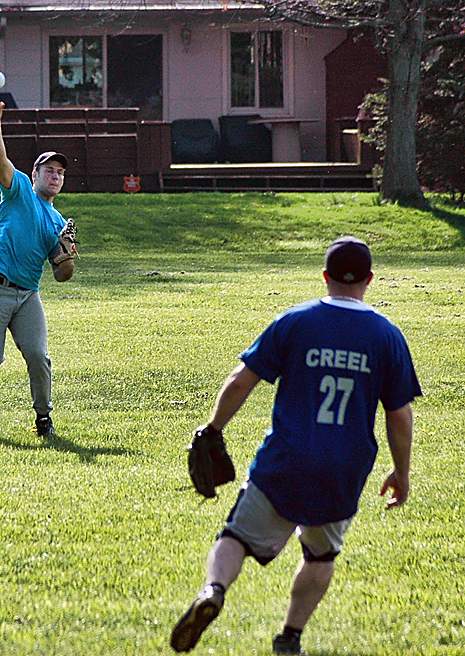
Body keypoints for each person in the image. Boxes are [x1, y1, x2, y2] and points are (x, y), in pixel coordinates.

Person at [170, 236, 421, 655]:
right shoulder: (387, 335)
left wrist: (212, 429)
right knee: (320, 556)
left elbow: (240, 382)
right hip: (344, 467)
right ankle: (289, 638)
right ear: (370, 280)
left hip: (286, 459)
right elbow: (399, 416)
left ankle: (213, 590)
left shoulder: (296, 320)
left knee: (236, 537)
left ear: (324, 276)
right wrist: (402, 471)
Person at [0, 95, 76, 438]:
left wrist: (67, 254)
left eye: (60, 172)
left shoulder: (58, 221)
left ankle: (44, 419)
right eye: (49, 170)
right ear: (35, 174)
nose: (55, 176)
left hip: (27, 295)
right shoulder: (20, 191)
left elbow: (62, 275)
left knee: (39, 357)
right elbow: (1, 162)